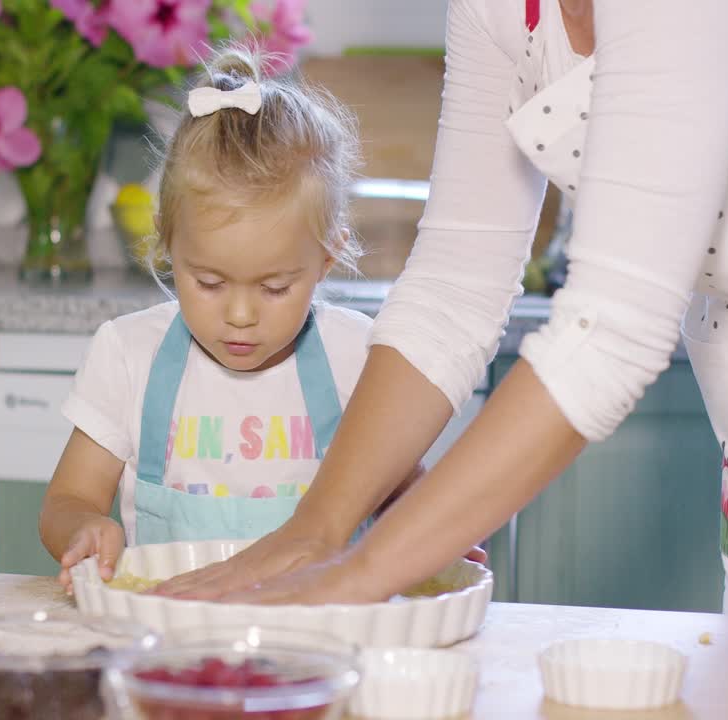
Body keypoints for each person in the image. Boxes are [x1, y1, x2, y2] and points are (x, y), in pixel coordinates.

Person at [154, 0, 728, 630]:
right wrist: (313, 532)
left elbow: (609, 333)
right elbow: (455, 286)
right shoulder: (498, 10)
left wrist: (360, 574)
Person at [38, 46, 466, 591]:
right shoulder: (128, 353)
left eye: (274, 287)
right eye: (209, 283)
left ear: (326, 258)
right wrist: (84, 528)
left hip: (319, 644)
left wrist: (433, 536)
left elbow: (403, 493)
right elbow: (67, 498)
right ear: (168, 242)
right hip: (168, 641)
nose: (240, 315)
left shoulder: (359, 357)